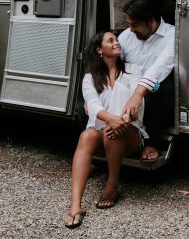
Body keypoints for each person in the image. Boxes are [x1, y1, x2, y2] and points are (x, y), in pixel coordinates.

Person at [65, 31, 147, 229]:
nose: (116, 42)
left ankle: (112, 183)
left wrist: (120, 122)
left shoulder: (133, 70)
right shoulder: (90, 78)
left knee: (112, 132)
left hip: (130, 134)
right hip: (101, 132)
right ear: (99, 49)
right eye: (111, 40)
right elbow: (92, 104)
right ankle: (75, 206)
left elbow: (136, 102)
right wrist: (111, 119)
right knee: (86, 135)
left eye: (117, 40)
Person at [119, 0, 175, 163]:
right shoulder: (126, 36)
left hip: (154, 87)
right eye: (129, 25)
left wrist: (137, 95)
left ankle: (152, 143)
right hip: (128, 85)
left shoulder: (172, 34)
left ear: (151, 20)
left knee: (163, 89)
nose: (131, 30)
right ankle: (96, 147)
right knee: (83, 106)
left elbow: (160, 67)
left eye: (135, 25)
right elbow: (114, 64)